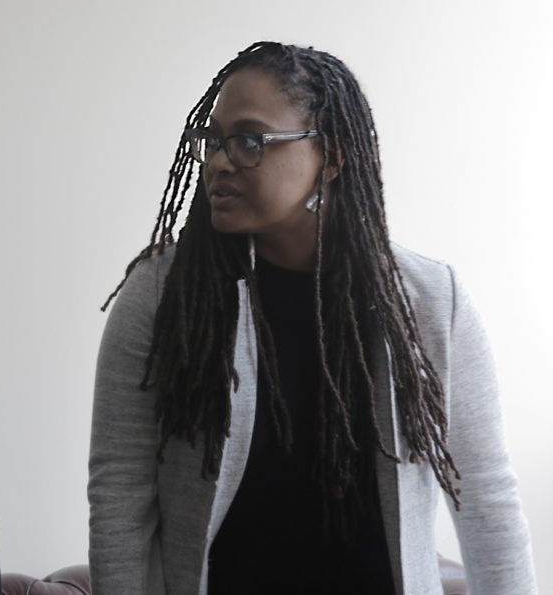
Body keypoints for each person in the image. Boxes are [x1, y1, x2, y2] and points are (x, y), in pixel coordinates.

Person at [88, 42, 536, 594]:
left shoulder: (427, 301)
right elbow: (120, 496)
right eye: (213, 140)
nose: (220, 161)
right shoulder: (164, 294)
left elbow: (486, 497)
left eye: (250, 140)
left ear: (332, 158)